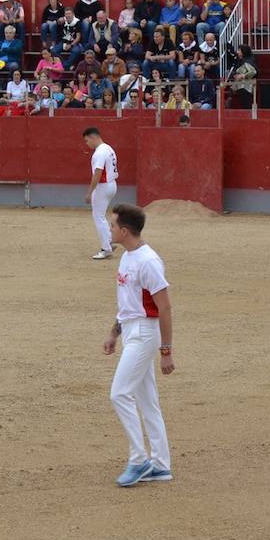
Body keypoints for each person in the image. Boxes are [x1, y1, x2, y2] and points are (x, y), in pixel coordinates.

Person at [101, 203, 174, 486]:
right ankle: (160, 464)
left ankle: (139, 459)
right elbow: (127, 305)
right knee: (147, 401)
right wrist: (114, 332)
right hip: (133, 330)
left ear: (125, 230)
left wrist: (166, 351)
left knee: (119, 394)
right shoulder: (128, 257)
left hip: (144, 333)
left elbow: (165, 308)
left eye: (112, 226)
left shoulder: (148, 261)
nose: (109, 230)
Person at [84, 127, 119, 261]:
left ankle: (106, 248)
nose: (87, 144)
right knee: (100, 216)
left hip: (103, 187)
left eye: (87, 141)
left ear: (93, 138)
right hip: (112, 185)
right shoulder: (108, 148)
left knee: (98, 216)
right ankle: (109, 241)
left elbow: (97, 173)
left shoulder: (99, 153)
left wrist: (89, 192)